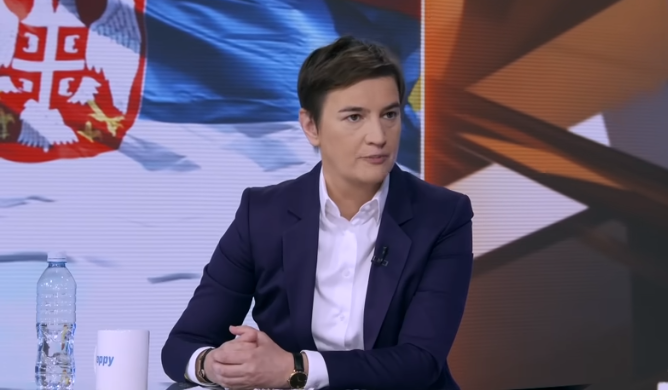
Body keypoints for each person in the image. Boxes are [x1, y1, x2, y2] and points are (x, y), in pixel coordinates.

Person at [161, 35, 474, 390]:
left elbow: (420, 361)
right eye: (355, 117)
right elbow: (182, 345)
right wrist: (216, 366)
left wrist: (294, 368)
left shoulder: (443, 216)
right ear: (311, 127)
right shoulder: (262, 214)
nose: (379, 136)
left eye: (389, 114)